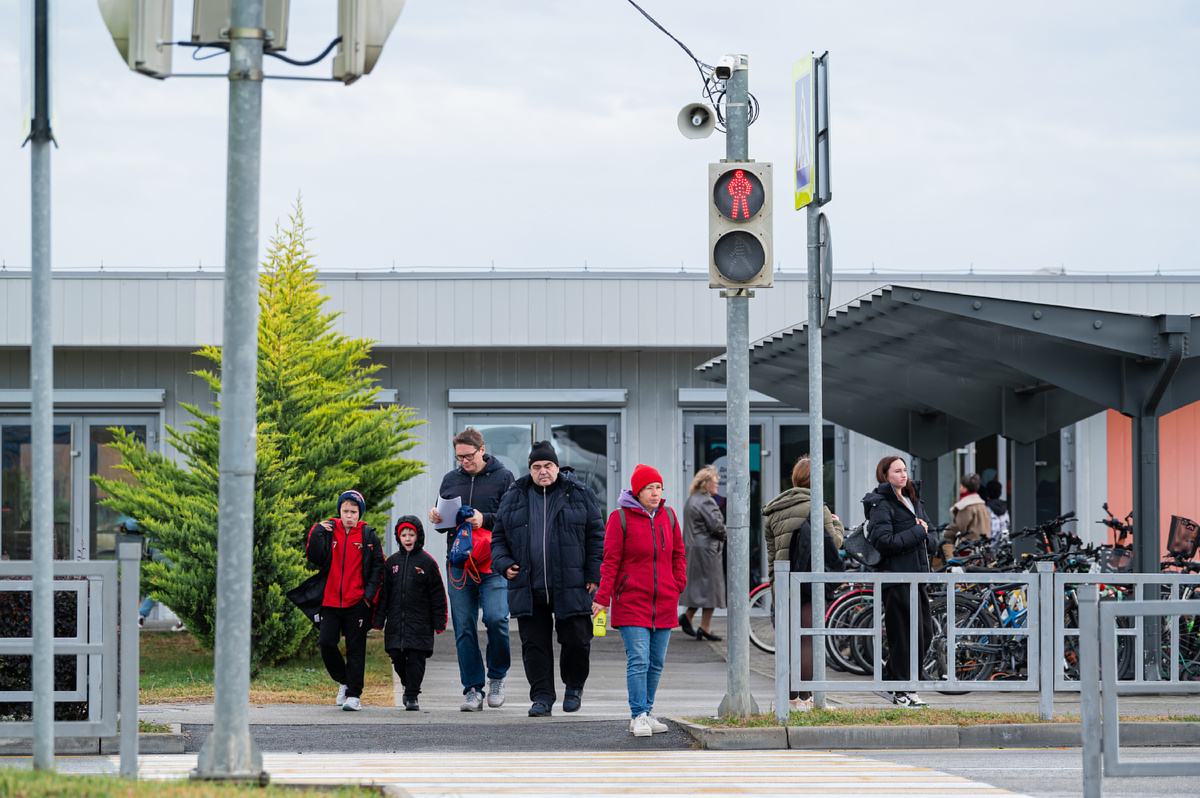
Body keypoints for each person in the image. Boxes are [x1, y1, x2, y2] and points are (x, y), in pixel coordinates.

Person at [491, 440, 605, 717]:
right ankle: (541, 697)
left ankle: (574, 686)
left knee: (577, 639)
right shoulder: (514, 495)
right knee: (534, 645)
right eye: (537, 466)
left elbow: (596, 536)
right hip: (528, 585)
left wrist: (593, 574)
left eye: (548, 466)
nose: (543, 471)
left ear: (557, 467)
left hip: (572, 581)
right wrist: (503, 564)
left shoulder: (579, 493)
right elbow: (499, 538)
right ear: (530, 469)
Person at [593, 464, 687, 737]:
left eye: (658, 487)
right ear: (637, 491)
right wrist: (603, 599)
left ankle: (646, 710)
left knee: (656, 661)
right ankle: (638, 715)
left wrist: (677, 583)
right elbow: (610, 562)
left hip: (664, 601)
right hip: (632, 601)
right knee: (639, 660)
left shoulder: (668, 516)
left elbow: (679, 555)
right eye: (649, 488)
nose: (655, 493)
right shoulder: (619, 518)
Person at [428, 428, 516, 712]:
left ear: (482, 450)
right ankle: (473, 688)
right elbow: (444, 523)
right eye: (459, 457)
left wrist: (485, 518)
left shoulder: (504, 477)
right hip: (459, 563)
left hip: (492, 562)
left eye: (468, 456)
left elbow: (514, 518)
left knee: (496, 619)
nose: (464, 462)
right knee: (464, 627)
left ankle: (497, 677)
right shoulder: (450, 480)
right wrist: (436, 517)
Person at [290, 489, 385, 712]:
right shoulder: (329, 531)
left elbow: (378, 568)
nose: (349, 515)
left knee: (355, 649)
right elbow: (314, 557)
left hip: (357, 603)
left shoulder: (369, 536)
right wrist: (316, 533)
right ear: (339, 512)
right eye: (345, 511)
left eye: (353, 511)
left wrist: (367, 599)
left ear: (359, 513)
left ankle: (353, 695)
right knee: (326, 643)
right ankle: (344, 681)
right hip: (330, 602)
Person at [763, 455, 844, 710]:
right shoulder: (818, 507)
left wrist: (775, 589)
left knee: (788, 643)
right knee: (807, 640)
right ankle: (805, 699)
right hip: (809, 584)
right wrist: (837, 522)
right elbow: (834, 544)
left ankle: (787, 698)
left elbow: (772, 556)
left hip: (783, 584)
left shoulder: (774, 510)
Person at [863, 456, 934, 709]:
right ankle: (904, 690)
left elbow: (931, 534)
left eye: (905, 470)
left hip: (917, 576)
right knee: (904, 636)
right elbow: (883, 541)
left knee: (925, 633)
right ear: (885, 475)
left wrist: (925, 534)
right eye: (897, 471)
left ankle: (891, 681)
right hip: (896, 577)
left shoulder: (912, 499)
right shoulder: (881, 504)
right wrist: (918, 532)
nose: (903, 475)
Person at [376, 516, 448, 712]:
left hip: (420, 624)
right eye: (403, 534)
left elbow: (438, 595)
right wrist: (378, 620)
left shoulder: (427, 563)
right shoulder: (392, 563)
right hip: (396, 624)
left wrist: (439, 621)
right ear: (398, 537)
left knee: (416, 659)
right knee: (397, 657)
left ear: (419, 536)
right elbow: (384, 595)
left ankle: (413, 695)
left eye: (411, 534)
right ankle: (408, 686)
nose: (407, 538)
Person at [678, 466, 726, 641]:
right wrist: (729, 531)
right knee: (711, 589)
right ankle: (704, 627)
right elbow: (717, 527)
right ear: (706, 483)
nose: (717, 486)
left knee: (701, 588)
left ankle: (688, 617)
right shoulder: (706, 501)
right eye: (715, 482)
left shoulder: (692, 500)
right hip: (707, 551)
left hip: (695, 549)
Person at [943, 473, 990, 555]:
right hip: (982, 548)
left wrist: (946, 533)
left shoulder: (966, 506)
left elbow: (959, 527)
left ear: (965, 488)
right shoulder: (982, 504)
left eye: (961, 486)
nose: (959, 488)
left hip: (968, 550)